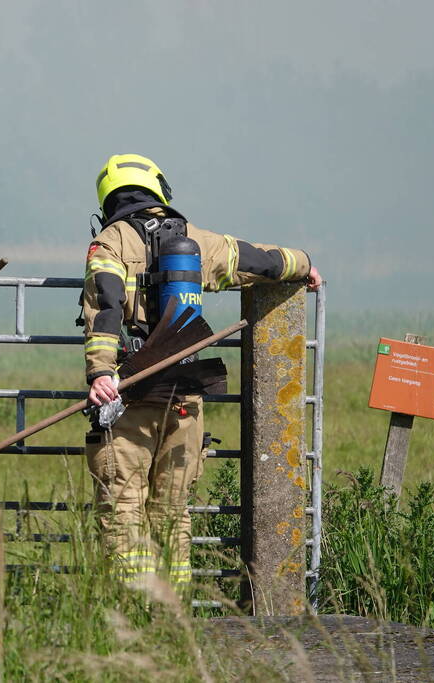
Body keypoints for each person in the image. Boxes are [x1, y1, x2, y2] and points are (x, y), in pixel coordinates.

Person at [82, 153, 322, 586]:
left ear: (108, 198)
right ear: (159, 189)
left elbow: (106, 301)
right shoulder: (194, 240)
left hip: (129, 394)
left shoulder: (111, 242)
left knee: (122, 507)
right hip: (186, 394)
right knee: (174, 511)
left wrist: (101, 372)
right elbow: (256, 260)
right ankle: (176, 615)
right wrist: (303, 264)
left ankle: (131, 610)